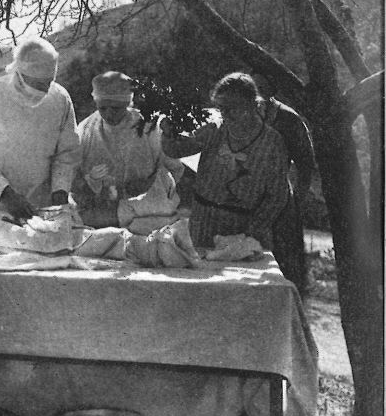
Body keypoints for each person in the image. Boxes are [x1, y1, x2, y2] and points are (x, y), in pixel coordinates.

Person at [160, 72, 290, 251]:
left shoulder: (272, 143)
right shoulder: (215, 130)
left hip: (242, 229)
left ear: (252, 105)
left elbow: (278, 195)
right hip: (202, 223)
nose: (225, 114)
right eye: (221, 108)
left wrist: (252, 231)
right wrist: (168, 133)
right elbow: (177, 150)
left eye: (232, 108)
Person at [0, 36, 80, 218]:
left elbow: (67, 152)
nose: (44, 90)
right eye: (38, 84)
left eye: (48, 82)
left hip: (43, 202)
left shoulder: (59, 98)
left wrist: (60, 191)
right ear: (19, 74)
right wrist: (6, 195)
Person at [73, 71, 185, 229]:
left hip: (144, 205)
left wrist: (150, 184)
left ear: (127, 103)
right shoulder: (86, 129)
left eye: (115, 108)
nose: (109, 114)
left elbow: (175, 168)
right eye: (103, 108)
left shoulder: (149, 128)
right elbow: (72, 174)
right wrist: (92, 184)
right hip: (104, 208)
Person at [253, 73, 315, 297]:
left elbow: (305, 164)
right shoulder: (241, 114)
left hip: (279, 200)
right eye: (252, 85)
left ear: (272, 89)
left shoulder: (288, 119)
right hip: (244, 197)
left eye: (261, 86)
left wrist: (296, 203)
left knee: (282, 269)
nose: (257, 91)